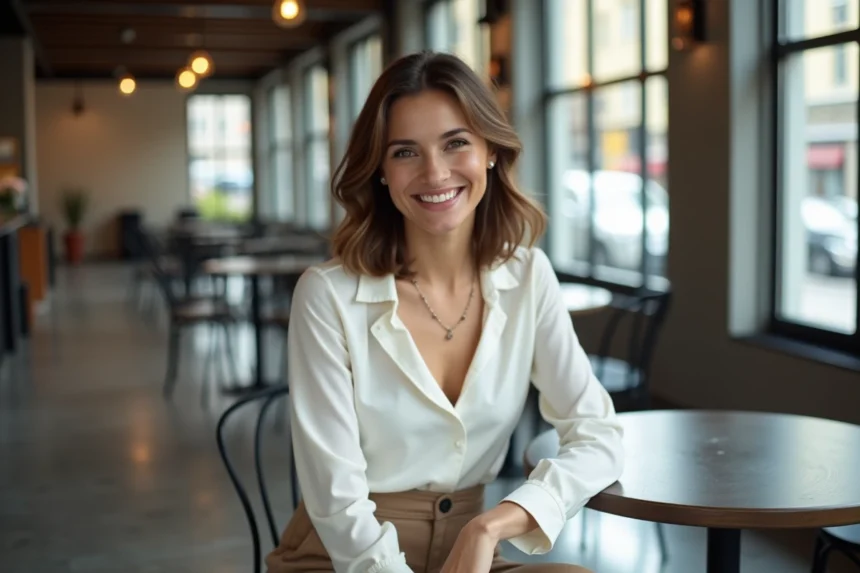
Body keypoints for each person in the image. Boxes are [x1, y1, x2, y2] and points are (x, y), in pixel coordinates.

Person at [266, 51, 624, 573]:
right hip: (344, 559)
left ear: (490, 152)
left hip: (470, 554)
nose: (434, 172)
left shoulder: (528, 276)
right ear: (381, 171)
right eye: (405, 152)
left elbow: (599, 434)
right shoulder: (327, 296)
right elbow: (336, 498)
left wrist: (493, 524)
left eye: (455, 143)